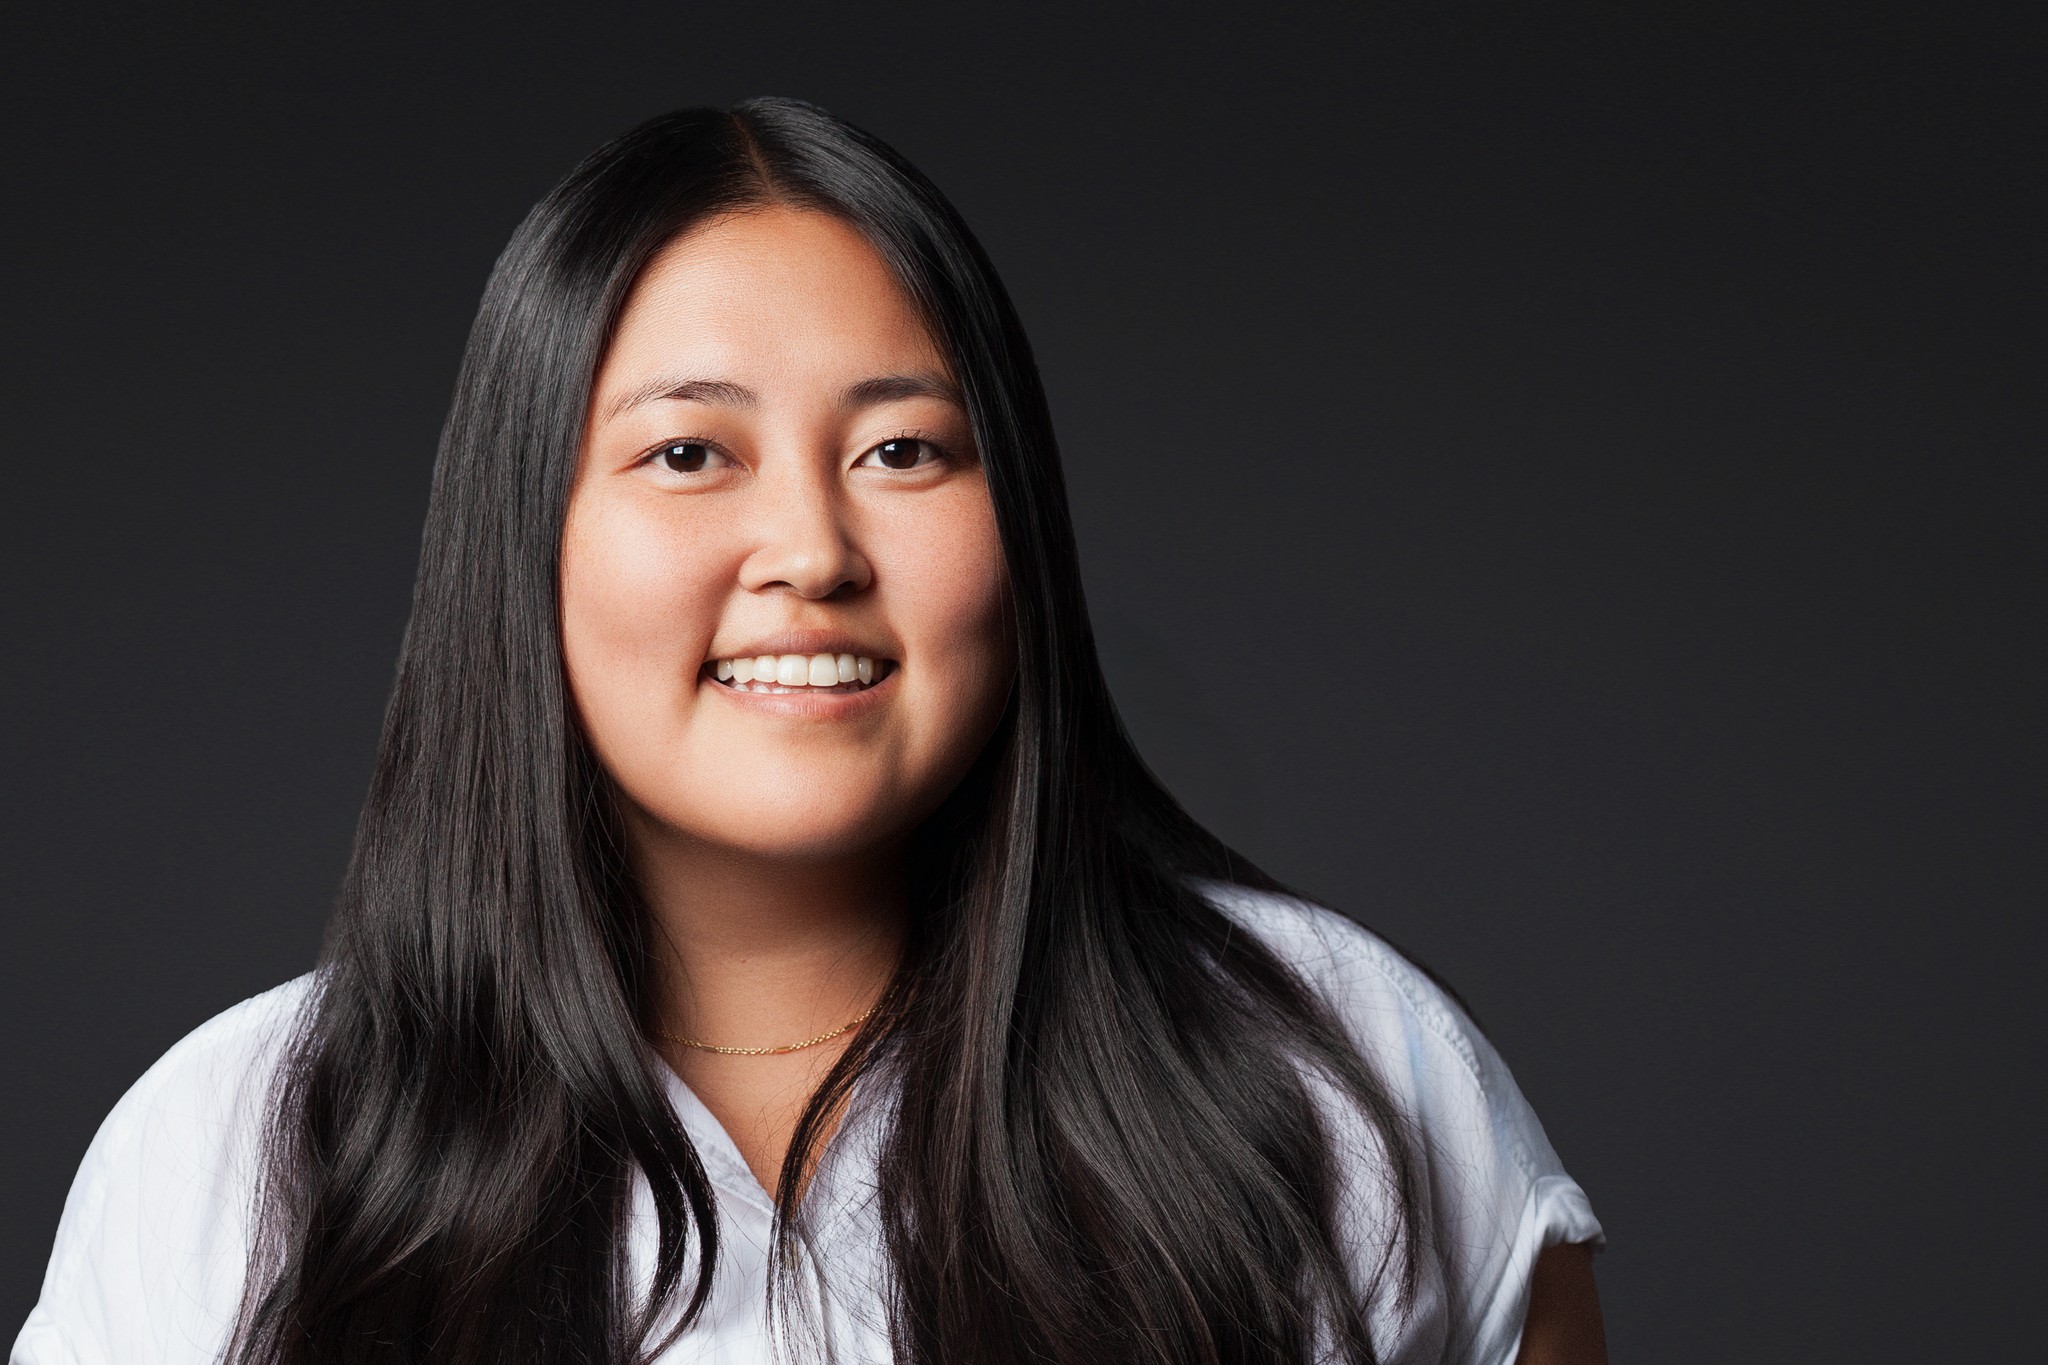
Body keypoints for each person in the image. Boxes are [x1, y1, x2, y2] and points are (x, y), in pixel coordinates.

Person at [10, 97, 1606, 1365]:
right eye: (692, 451)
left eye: (905, 448)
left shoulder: (1337, 1075)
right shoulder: (238, 1147)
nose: (815, 549)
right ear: (526, 538)